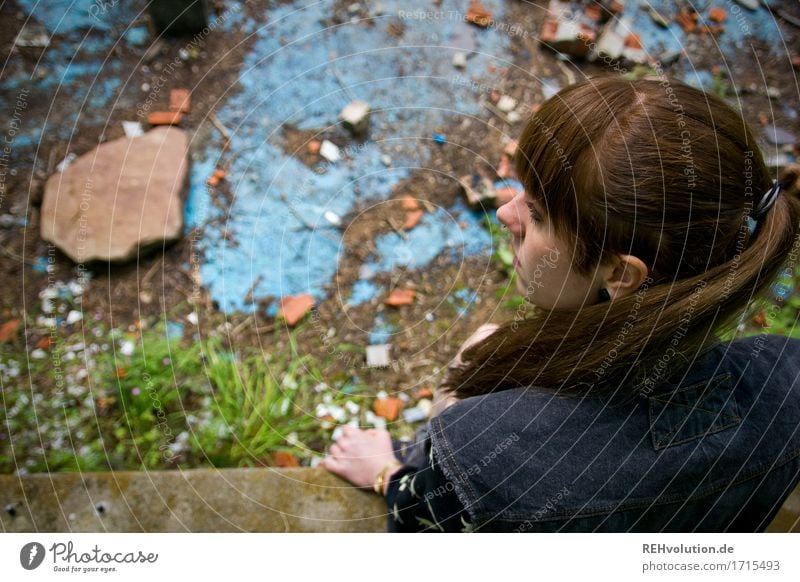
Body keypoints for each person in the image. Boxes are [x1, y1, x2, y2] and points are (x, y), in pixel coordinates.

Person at [322, 75, 800, 532]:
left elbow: (434, 526)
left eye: (538, 212)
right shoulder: (786, 378)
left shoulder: (488, 452)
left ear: (620, 273)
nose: (506, 212)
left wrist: (391, 468)